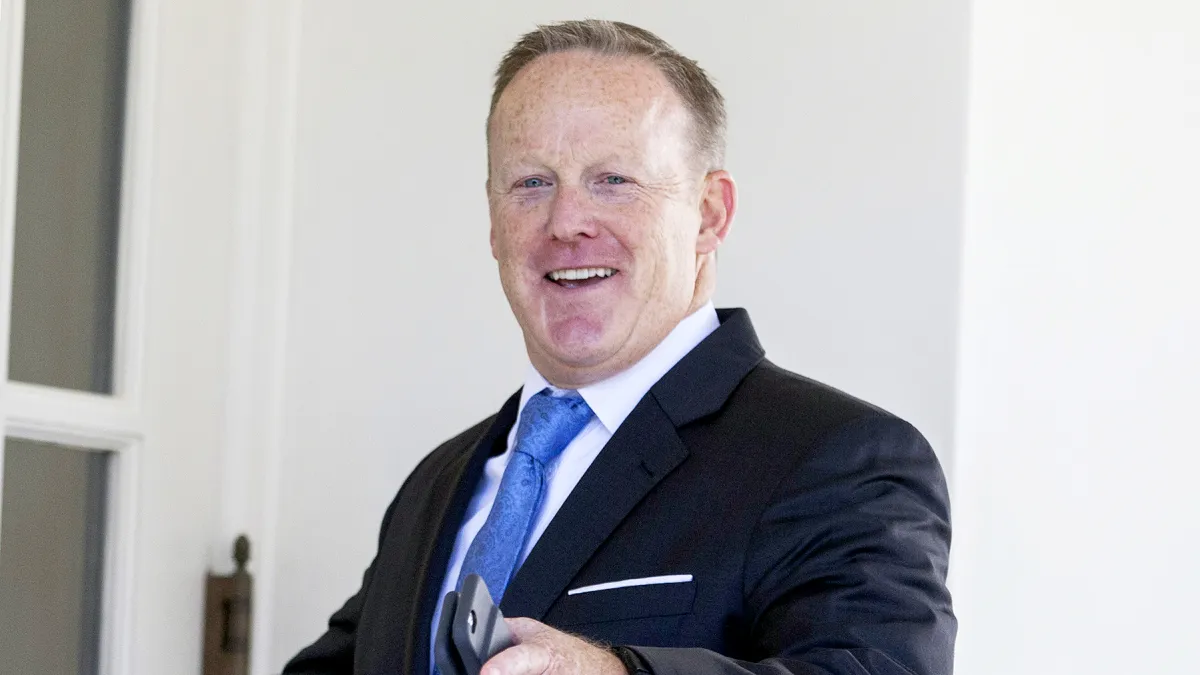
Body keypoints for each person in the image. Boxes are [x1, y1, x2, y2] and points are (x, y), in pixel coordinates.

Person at [284, 19, 955, 675]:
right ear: (492, 220)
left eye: (613, 180)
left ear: (709, 214)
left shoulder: (839, 459)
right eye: (531, 183)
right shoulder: (436, 484)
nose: (566, 222)